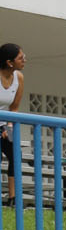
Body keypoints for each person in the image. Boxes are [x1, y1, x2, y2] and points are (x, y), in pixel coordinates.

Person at [0, 42, 26, 207]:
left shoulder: (19, 78)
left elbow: (14, 107)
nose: (24, 60)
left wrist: (9, 126)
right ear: (9, 62)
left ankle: (13, 199)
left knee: (16, 153)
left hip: (4, 123)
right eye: (21, 58)